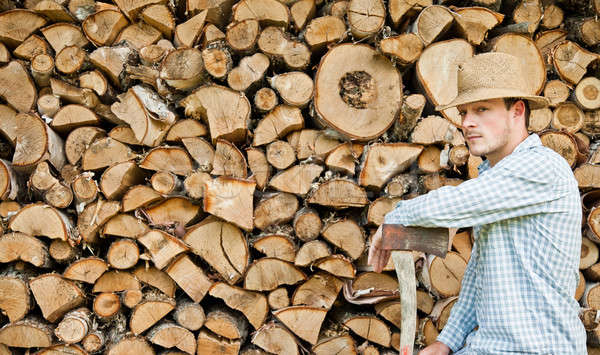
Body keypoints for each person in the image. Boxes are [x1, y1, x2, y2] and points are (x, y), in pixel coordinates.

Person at [368, 52, 586, 354]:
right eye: (463, 112)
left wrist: (396, 215)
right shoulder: (495, 179)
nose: (467, 122)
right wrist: (446, 341)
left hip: (536, 348)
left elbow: (457, 203)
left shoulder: (542, 168)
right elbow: (480, 275)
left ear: (517, 111)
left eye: (482, 109)